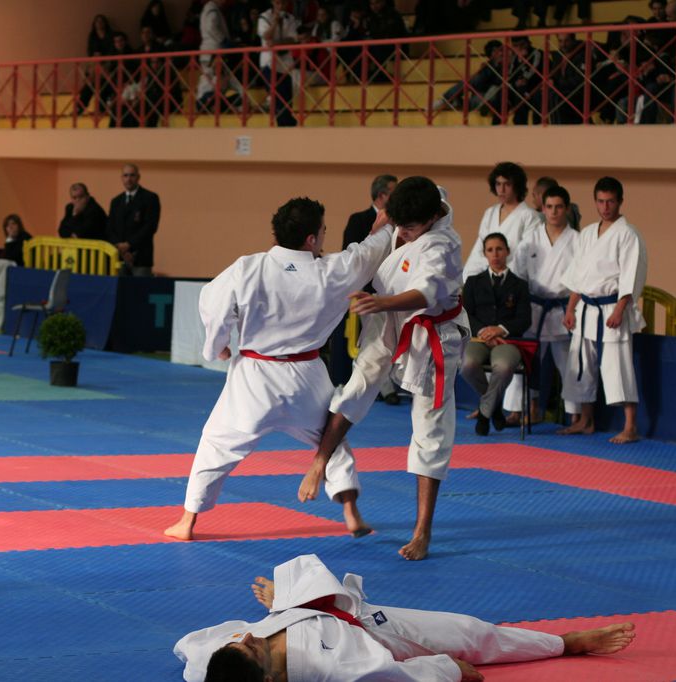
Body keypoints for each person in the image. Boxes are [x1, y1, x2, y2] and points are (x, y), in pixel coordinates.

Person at [163, 196, 394, 543]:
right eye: (323, 230)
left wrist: (217, 346)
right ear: (311, 239)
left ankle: (187, 521)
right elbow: (366, 255)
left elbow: (211, 301)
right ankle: (350, 511)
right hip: (306, 376)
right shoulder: (331, 271)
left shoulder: (248, 267)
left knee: (216, 444)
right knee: (331, 441)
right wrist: (383, 229)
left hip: (254, 377)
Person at [301, 177, 468, 561]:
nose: (402, 234)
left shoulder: (443, 245)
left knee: (430, 426)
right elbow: (419, 196)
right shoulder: (423, 199)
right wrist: (383, 221)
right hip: (389, 318)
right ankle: (320, 461)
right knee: (357, 387)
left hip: (431, 331)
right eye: (399, 225)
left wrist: (381, 303)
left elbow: (425, 293)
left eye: (409, 229)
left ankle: (422, 532)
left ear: (431, 219)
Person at [177, 554, 637, 682]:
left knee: (467, 626)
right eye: (251, 649)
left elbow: (188, 649)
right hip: (378, 636)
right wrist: (446, 669)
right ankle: (568, 643)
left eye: (240, 641)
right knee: (469, 635)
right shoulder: (334, 669)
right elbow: (395, 676)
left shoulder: (213, 662)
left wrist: (284, 604)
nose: (247, 639)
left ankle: (561, 642)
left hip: (321, 609)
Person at [558, 177, 647, 444]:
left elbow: (631, 276)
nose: (605, 207)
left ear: (620, 201)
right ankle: (586, 421)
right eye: (600, 201)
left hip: (612, 307)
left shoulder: (628, 234)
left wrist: (620, 309)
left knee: (618, 365)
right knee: (582, 364)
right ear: (595, 202)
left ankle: (630, 426)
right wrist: (570, 309)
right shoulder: (587, 234)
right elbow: (578, 276)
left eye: (610, 201)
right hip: (586, 308)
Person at [504, 185, 579, 425]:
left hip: (562, 310)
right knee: (526, 359)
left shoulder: (577, 241)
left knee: (568, 364)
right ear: (543, 209)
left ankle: (575, 415)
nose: (554, 212)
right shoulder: (531, 239)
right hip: (534, 308)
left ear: (567, 209)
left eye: (559, 207)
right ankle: (520, 409)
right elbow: (518, 275)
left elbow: (580, 279)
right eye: (549, 207)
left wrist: (571, 309)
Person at [460, 233, 532, 436]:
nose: (495, 254)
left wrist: (500, 329)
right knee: (467, 365)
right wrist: (485, 331)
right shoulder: (473, 282)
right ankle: (495, 406)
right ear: (484, 254)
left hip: (507, 340)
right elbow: (465, 314)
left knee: (504, 366)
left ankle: (484, 415)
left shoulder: (520, 285)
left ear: (507, 251)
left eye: (499, 249)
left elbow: (524, 319)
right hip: (479, 338)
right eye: (490, 250)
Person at [336, 173, 400, 402]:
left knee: (390, 338)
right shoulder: (359, 220)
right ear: (382, 196)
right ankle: (384, 388)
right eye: (394, 192)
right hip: (368, 290)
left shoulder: (401, 222)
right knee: (375, 340)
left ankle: (386, 384)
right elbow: (352, 255)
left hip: (394, 289)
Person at [462, 161, 538, 282]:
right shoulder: (490, 213)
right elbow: (479, 250)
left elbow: (525, 255)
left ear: (517, 186)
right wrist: (470, 278)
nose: (501, 190)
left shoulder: (529, 216)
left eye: (507, 184)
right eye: (498, 184)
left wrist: (501, 277)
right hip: (486, 279)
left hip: (514, 280)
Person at [106, 164, 161, 276]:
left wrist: (129, 245)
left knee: (140, 286)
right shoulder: (116, 201)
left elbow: (150, 227)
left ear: (138, 177)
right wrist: (121, 248)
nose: (129, 179)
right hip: (119, 258)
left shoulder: (150, 198)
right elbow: (110, 228)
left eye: (132, 175)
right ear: (122, 178)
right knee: (119, 287)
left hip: (141, 257)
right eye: (125, 175)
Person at [197, 0, 246, 112]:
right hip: (213, 50)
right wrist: (223, 40)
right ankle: (208, 103)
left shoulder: (210, 9)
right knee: (211, 81)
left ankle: (214, 103)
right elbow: (211, 27)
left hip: (210, 51)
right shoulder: (212, 10)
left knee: (217, 79)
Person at [258, 0, 301, 127]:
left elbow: (293, 39)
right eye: (278, 3)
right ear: (272, 3)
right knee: (278, 101)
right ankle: (288, 126)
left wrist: (277, 43)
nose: (280, 6)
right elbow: (266, 36)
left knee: (287, 101)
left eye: (283, 3)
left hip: (285, 64)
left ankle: (288, 126)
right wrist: (275, 22)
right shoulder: (264, 17)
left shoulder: (290, 18)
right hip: (269, 62)